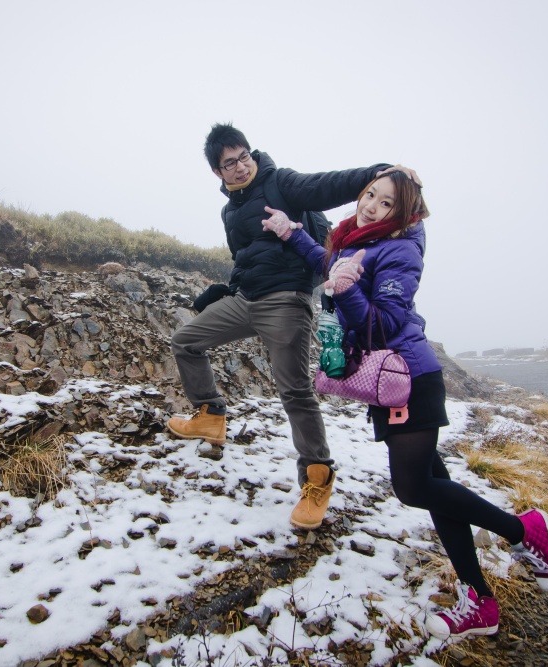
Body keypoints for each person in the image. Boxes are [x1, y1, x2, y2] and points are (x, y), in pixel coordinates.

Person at [262, 172, 548, 642]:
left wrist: (346, 290)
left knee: (411, 487)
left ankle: (523, 531)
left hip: (409, 379)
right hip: (388, 383)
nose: (371, 207)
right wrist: (292, 231)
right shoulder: (353, 240)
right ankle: (480, 601)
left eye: (385, 204)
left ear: (400, 215)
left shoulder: (400, 250)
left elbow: (384, 322)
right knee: (435, 489)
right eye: (369, 196)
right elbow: (329, 262)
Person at [166, 122, 416, 530]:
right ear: (218, 172)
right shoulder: (229, 210)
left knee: (294, 390)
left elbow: (325, 186)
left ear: (252, 153)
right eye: (230, 163)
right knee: (185, 340)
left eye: (244, 156)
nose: (241, 167)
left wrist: (381, 174)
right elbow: (250, 257)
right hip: (246, 300)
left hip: (286, 302)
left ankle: (317, 477)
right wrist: (227, 289)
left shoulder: (281, 183)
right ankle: (210, 414)